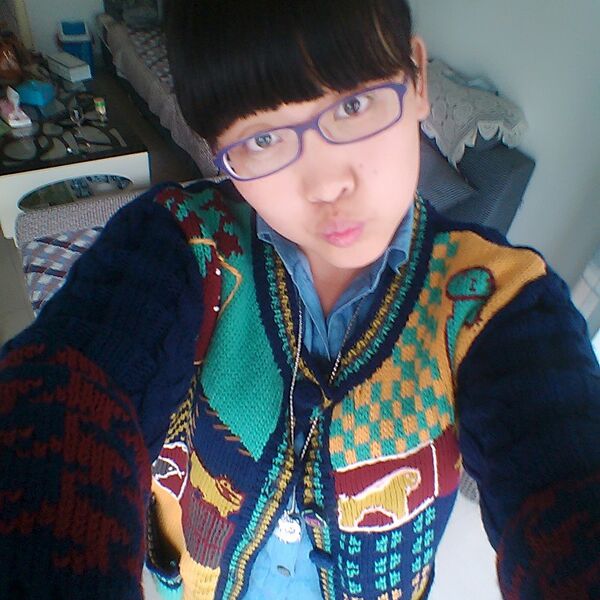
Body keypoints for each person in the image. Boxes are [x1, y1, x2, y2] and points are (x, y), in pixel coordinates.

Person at [1, 1, 598, 599]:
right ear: (218, 149)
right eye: (262, 139)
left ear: (417, 80)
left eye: (353, 106)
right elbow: (71, 387)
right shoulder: (180, 241)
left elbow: (565, 473)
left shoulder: (495, 300)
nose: (327, 183)